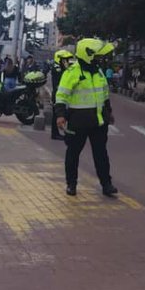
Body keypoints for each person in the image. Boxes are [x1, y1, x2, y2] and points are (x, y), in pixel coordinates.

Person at [55, 37, 117, 198]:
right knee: (73, 154)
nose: (99, 59)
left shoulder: (99, 73)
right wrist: (60, 115)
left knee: (101, 155)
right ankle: (72, 184)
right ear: (87, 54)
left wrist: (108, 113)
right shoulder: (72, 73)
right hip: (78, 122)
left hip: (98, 122)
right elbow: (61, 95)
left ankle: (106, 185)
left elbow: (105, 95)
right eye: (96, 56)